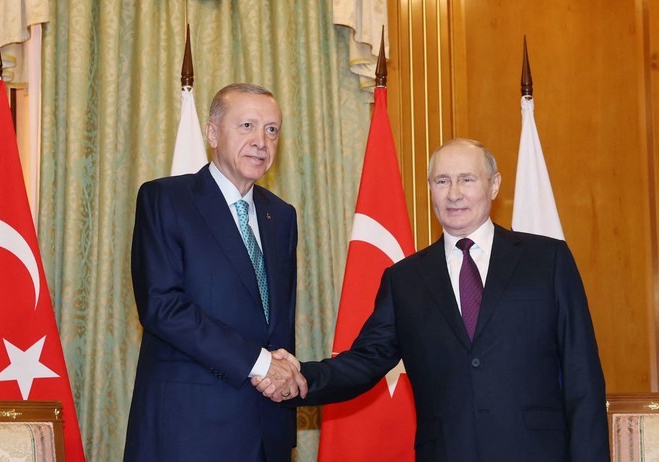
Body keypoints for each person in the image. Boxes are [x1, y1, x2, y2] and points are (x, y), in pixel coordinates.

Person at [255, 138, 609, 462]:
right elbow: (364, 361)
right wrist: (298, 378)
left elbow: (583, 377)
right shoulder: (405, 279)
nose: (454, 194)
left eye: (467, 179)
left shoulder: (547, 260)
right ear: (430, 190)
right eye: (442, 181)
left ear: (494, 185)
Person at [124, 83, 307, 462]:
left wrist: (283, 384)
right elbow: (163, 307)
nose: (261, 141)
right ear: (212, 133)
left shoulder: (282, 215)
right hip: (189, 431)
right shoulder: (165, 200)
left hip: (266, 429)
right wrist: (260, 364)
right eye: (247, 126)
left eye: (272, 129)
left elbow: (278, 321)